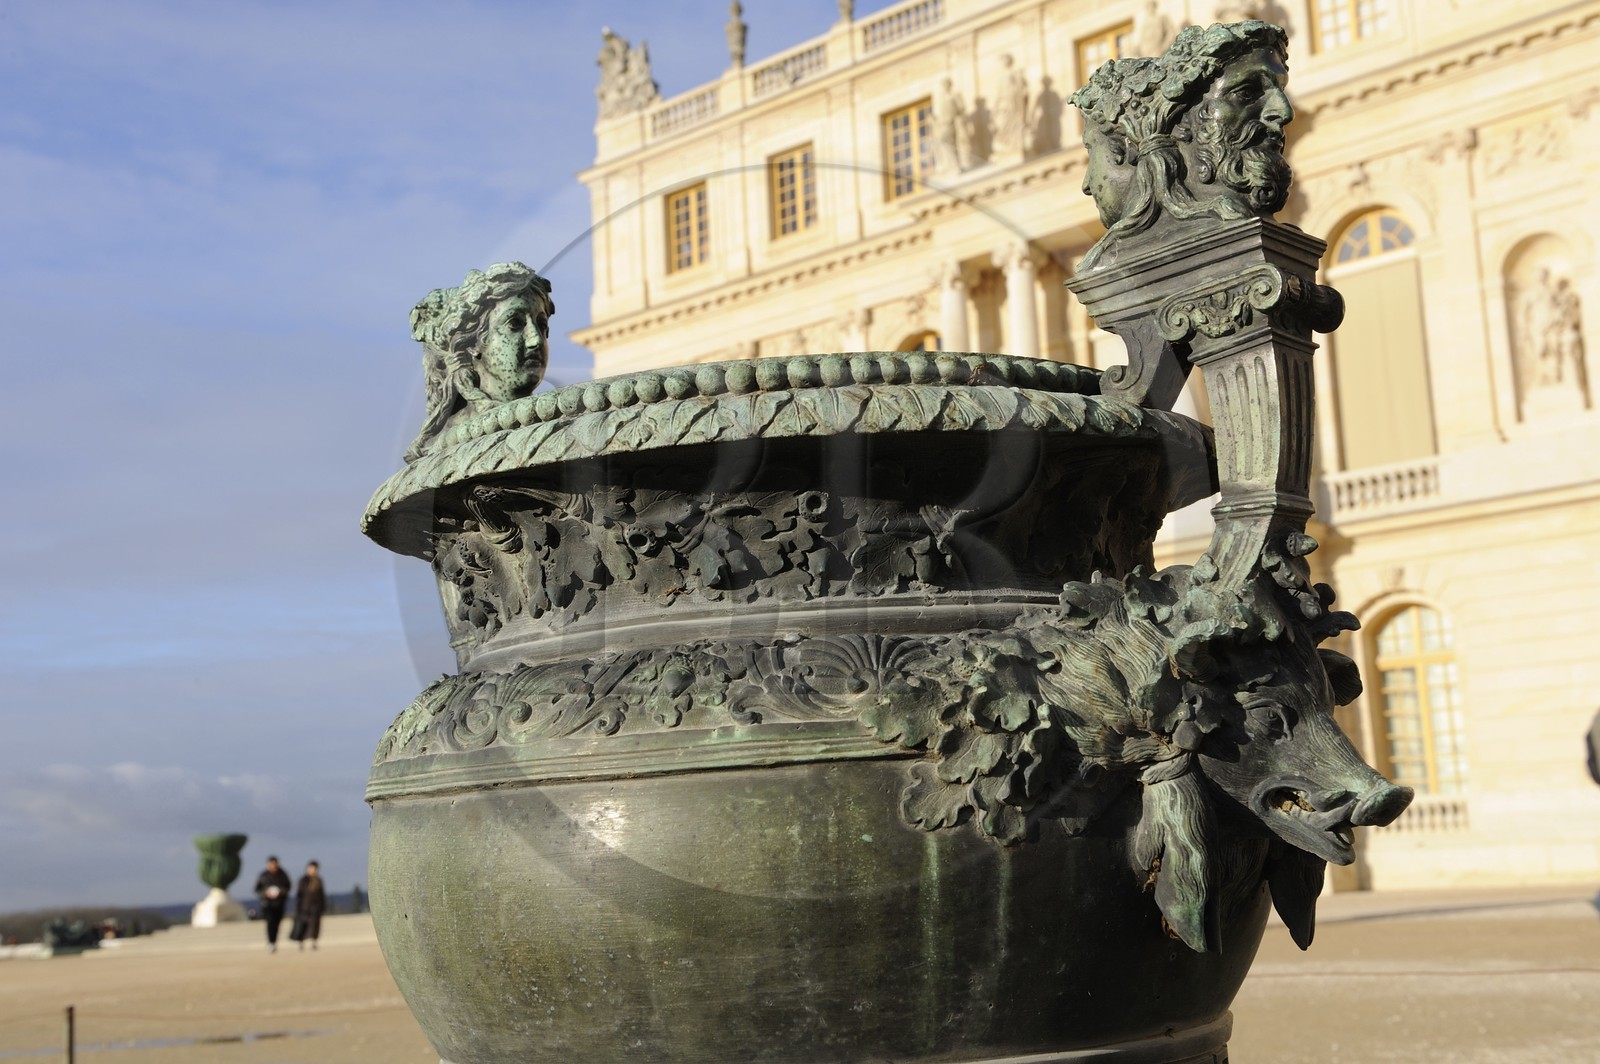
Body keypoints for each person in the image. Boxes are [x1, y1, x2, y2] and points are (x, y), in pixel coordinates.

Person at [254, 856, 291, 953]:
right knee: (270, 923)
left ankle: (274, 941)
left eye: (275, 865)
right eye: (271, 865)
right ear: (268, 865)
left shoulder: (283, 875)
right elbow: (257, 889)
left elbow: (288, 887)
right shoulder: (263, 876)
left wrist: (280, 892)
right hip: (267, 904)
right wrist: (266, 893)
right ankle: (270, 942)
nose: (273, 867)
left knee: (277, 924)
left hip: (279, 904)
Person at [293, 861, 327, 951]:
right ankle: (301, 942)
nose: (313, 871)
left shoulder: (318, 881)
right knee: (303, 925)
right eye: (311, 868)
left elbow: (321, 895)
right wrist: (298, 907)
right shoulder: (303, 880)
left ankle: (314, 942)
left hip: (316, 907)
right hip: (305, 907)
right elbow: (299, 895)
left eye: (315, 869)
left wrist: (323, 906)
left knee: (315, 926)